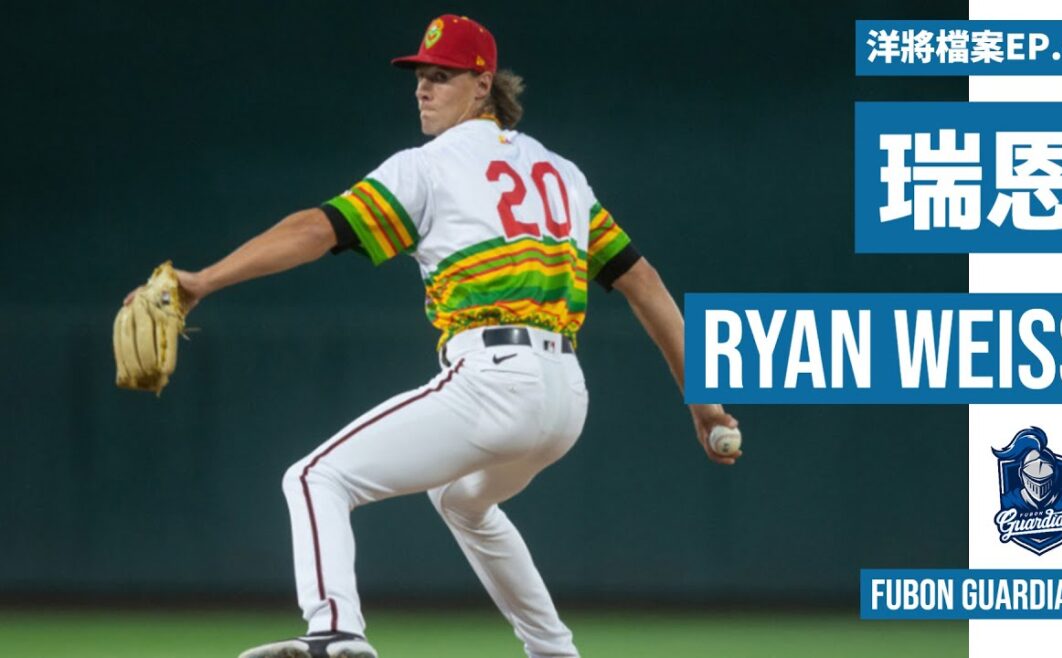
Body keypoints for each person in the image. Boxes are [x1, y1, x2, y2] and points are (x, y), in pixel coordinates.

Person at [129, 14, 740, 658]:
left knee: (314, 478)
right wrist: (703, 401)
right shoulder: (564, 173)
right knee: (461, 502)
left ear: (483, 85)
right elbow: (645, 284)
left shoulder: (429, 166)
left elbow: (316, 229)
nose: (423, 88)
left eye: (442, 76)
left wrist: (203, 281)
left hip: (495, 380)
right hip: (565, 399)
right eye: (420, 76)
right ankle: (554, 651)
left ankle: (336, 631)